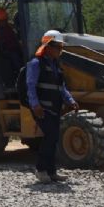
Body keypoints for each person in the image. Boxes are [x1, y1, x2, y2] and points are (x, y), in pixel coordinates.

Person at [26, 30, 79, 183]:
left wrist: (70, 100)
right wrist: (35, 105)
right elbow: (30, 86)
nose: (60, 50)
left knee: (54, 138)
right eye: (58, 47)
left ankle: (51, 171)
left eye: (61, 47)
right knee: (49, 137)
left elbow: (61, 88)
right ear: (48, 46)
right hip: (42, 109)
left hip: (54, 108)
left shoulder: (56, 65)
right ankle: (41, 170)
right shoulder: (36, 64)